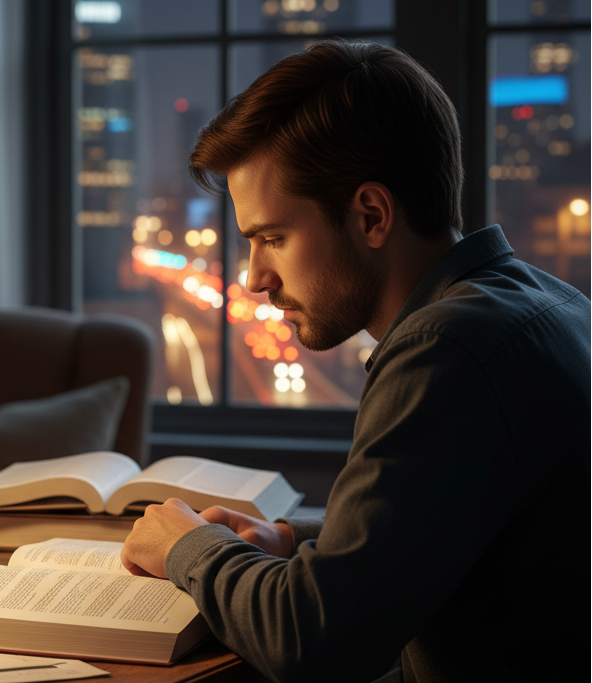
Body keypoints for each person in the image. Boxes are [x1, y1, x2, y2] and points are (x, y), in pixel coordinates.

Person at [119, 40, 591, 683]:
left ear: (371, 215)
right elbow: (462, 523)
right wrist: (292, 539)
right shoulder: (545, 302)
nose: (255, 279)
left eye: (273, 239)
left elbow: (315, 641)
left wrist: (187, 547)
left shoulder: (446, 351)